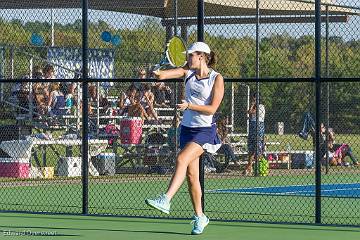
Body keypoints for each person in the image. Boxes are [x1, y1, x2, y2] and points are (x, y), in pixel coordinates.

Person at [145, 42, 224, 235]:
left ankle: (166, 199)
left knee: (181, 158)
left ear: (202, 56)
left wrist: (189, 106)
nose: (188, 58)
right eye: (188, 56)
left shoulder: (216, 78)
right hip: (187, 129)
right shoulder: (187, 72)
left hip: (205, 131)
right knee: (191, 177)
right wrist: (156, 72)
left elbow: (213, 109)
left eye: (191, 55)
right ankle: (200, 217)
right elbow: (163, 75)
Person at [244, 92, 265, 176]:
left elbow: (250, 111)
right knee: (251, 148)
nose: (253, 100)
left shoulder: (261, 106)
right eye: (253, 98)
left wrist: (252, 105)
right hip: (252, 126)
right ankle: (249, 167)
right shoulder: (255, 106)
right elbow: (249, 114)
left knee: (258, 148)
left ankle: (259, 167)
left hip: (258, 126)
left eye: (255, 98)